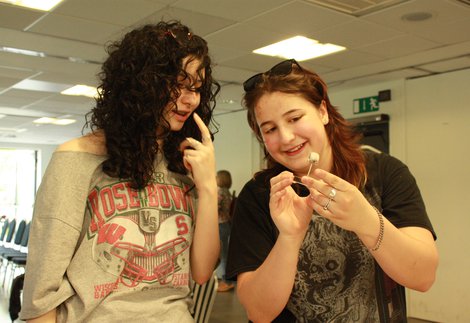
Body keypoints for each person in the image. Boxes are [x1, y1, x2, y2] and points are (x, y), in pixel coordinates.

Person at [20, 21, 221, 323]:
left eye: (195, 87)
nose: (190, 99)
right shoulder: (76, 159)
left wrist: (208, 187)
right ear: (143, 84)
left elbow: (202, 272)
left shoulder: (183, 163)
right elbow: (40, 296)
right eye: (177, 84)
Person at [226, 59, 439, 322]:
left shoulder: (384, 174)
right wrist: (289, 238)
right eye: (270, 129)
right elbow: (259, 312)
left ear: (323, 112)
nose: (286, 137)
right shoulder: (260, 196)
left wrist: (367, 221)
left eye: (294, 118)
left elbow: (423, 276)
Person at [215, 170, 235, 292]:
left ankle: (223, 281)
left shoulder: (219, 192)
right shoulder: (227, 192)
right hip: (226, 225)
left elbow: (214, 207)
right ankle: (225, 279)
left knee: (220, 254)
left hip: (220, 225)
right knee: (224, 253)